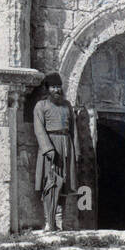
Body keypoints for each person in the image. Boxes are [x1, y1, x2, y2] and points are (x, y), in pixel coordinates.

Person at [32, 73, 77, 232]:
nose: (56, 90)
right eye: (53, 87)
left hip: (66, 146)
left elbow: (73, 130)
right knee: (50, 184)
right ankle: (48, 222)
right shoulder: (41, 106)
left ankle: (59, 222)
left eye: (58, 87)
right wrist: (48, 149)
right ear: (47, 88)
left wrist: (74, 150)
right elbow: (39, 129)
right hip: (50, 148)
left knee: (64, 184)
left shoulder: (67, 106)